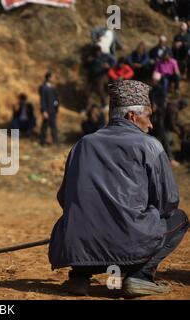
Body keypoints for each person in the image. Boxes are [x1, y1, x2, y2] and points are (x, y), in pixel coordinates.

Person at [49, 80, 189, 297]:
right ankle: (140, 276)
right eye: (148, 116)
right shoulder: (150, 145)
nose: (151, 125)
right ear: (132, 116)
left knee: (81, 221)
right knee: (179, 218)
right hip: (130, 247)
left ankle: (79, 276)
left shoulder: (82, 144)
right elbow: (168, 202)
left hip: (80, 247)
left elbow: (64, 198)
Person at [84, 45, 115, 110]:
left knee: (99, 90)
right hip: (91, 77)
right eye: (96, 52)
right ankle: (87, 107)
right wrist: (88, 61)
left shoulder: (104, 56)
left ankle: (105, 104)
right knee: (87, 92)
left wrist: (108, 66)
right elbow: (85, 66)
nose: (98, 53)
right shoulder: (90, 57)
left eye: (99, 51)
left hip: (100, 76)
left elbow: (113, 62)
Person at [39, 71, 59, 146]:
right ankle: (43, 141)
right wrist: (44, 111)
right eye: (53, 77)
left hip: (53, 110)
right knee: (45, 126)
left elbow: (55, 98)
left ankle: (55, 142)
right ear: (49, 78)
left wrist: (56, 104)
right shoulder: (44, 88)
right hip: (47, 111)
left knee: (53, 126)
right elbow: (43, 100)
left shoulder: (52, 87)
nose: (54, 78)